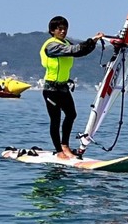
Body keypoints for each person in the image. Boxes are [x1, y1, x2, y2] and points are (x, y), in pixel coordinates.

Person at [40, 16, 105, 160]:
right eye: (59, 29)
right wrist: (91, 40)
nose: (63, 31)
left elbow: (80, 52)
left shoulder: (65, 43)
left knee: (71, 115)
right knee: (55, 120)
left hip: (63, 88)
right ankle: (58, 151)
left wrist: (93, 43)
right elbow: (73, 49)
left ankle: (65, 145)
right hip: (51, 89)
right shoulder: (52, 45)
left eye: (65, 28)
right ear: (52, 31)